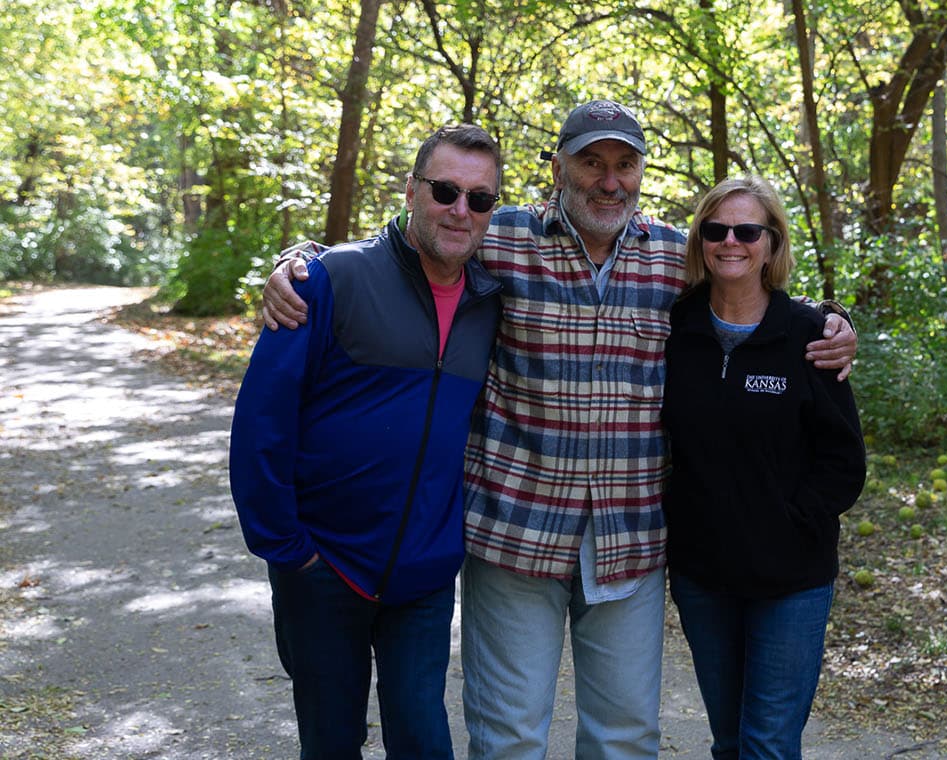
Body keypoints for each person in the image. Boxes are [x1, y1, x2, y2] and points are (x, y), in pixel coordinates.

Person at [260, 100, 857, 759]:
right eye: (592, 162)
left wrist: (828, 321)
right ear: (558, 167)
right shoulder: (502, 238)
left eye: (625, 165)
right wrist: (304, 259)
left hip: (629, 538)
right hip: (515, 533)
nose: (610, 180)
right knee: (509, 737)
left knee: (625, 738)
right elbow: (421, 236)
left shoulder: (672, 260)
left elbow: (750, 286)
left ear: (641, 172)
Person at [229, 124, 504, 759]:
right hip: (322, 567)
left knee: (423, 739)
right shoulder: (331, 280)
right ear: (411, 190)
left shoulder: (491, 299)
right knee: (331, 743)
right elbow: (262, 423)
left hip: (426, 574)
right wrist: (287, 548)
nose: (460, 210)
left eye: (480, 198)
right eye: (444, 190)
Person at [661, 176, 866, 759]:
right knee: (730, 741)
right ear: (700, 239)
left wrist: (789, 520)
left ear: (771, 244)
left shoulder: (808, 336)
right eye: (716, 229)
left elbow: (843, 461)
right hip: (704, 577)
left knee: (769, 744)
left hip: (791, 580)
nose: (731, 242)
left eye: (747, 230)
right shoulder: (675, 330)